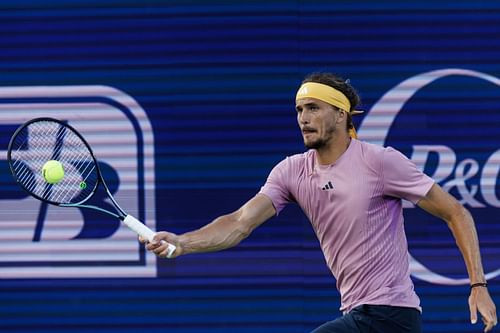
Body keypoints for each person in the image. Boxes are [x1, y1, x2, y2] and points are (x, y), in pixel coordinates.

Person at [143, 72, 497, 333]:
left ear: (341, 115)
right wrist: (183, 242)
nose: (303, 118)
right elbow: (239, 222)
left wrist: (478, 285)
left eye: (313, 108)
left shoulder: (380, 162)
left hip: (391, 315)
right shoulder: (291, 171)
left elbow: (456, 212)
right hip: (358, 313)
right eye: (299, 110)